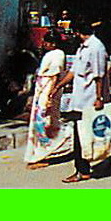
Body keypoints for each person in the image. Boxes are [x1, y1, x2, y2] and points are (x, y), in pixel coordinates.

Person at [55, 17, 109, 183]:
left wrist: (99, 98)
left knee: (84, 136)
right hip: (80, 99)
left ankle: (82, 170)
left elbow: (99, 75)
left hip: (90, 99)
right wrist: (59, 85)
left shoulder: (96, 48)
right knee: (80, 135)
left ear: (79, 33)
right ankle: (83, 168)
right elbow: (74, 71)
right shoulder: (83, 48)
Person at [24, 30, 74, 168]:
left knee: (45, 122)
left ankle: (45, 152)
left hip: (48, 91)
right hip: (42, 90)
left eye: (46, 42)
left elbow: (54, 76)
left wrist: (50, 96)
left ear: (53, 43)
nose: (44, 44)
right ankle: (39, 154)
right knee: (40, 122)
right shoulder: (51, 54)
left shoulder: (58, 54)